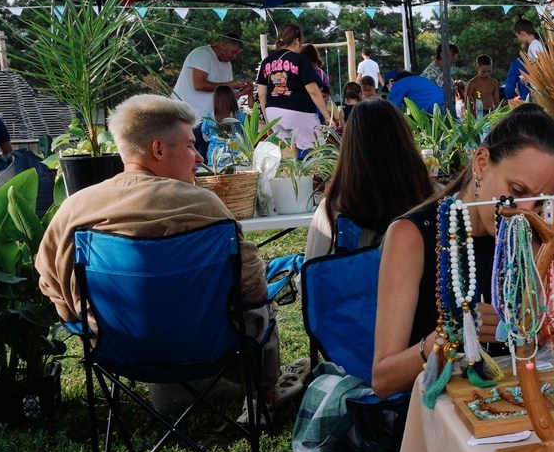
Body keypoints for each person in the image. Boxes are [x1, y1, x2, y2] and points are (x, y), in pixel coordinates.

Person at [370, 103, 554, 397]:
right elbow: (384, 380)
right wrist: (449, 337)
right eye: (516, 191)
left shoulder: (532, 238)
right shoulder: (412, 237)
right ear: (481, 163)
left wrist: (544, 325)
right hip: (438, 416)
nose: (525, 212)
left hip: (517, 404)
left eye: (540, 202)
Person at [37, 95, 267, 325]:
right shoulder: (204, 205)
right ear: (158, 149)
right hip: (209, 350)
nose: (199, 156)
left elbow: (58, 297)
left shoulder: (74, 209)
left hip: (115, 353)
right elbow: (254, 289)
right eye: (190, 145)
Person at [308, 96, 434, 260]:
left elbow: (310, 274)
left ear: (350, 149)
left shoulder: (335, 206)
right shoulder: (431, 198)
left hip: (356, 285)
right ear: (405, 141)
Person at [252, 20, 338, 153]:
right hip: (298, 109)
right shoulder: (301, 60)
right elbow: (313, 91)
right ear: (297, 41)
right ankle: (315, 173)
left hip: (273, 112)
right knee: (317, 151)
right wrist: (327, 116)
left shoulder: (266, 62)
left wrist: (268, 121)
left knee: (287, 154)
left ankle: (288, 174)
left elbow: (262, 94)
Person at [171, 35, 240, 121]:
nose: (234, 57)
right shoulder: (202, 54)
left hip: (209, 117)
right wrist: (230, 85)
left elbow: (224, 93)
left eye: (237, 54)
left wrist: (240, 92)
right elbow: (199, 85)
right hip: (187, 115)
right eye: (233, 52)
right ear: (223, 45)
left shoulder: (227, 65)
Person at [500, 18, 542, 102]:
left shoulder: (535, 46)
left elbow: (541, 70)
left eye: (517, 36)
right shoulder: (534, 45)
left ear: (522, 33)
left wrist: (530, 78)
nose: (518, 39)